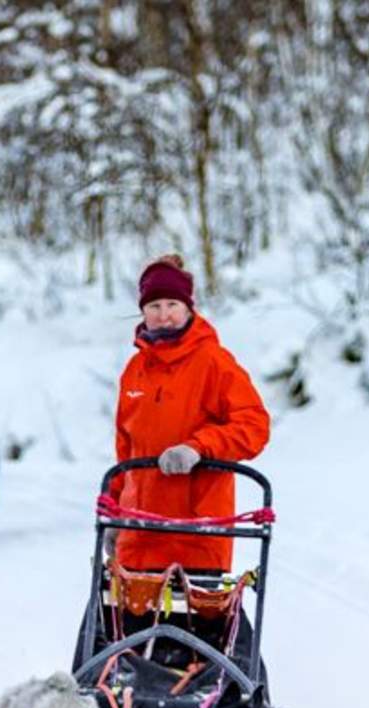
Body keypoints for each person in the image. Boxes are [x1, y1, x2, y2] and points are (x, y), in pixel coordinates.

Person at [99, 253, 272, 677]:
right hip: (141, 533)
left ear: (188, 307)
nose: (163, 315)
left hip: (196, 530)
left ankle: (227, 706)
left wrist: (200, 447)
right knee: (125, 635)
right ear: (142, 312)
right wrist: (116, 512)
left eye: (171, 305)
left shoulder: (214, 363)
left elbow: (254, 425)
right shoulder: (135, 371)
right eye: (153, 306)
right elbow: (126, 449)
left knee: (205, 638)